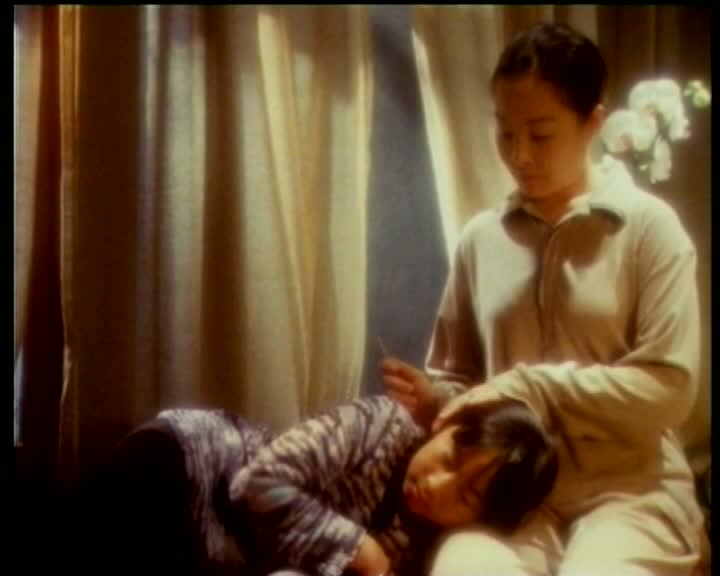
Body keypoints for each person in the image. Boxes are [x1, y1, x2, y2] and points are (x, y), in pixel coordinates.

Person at [383, 21, 707, 576]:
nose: (519, 156)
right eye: (505, 133)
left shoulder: (649, 229)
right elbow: (464, 383)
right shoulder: (481, 239)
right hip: (510, 503)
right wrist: (437, 397)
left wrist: (532, 385)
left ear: (593, 123)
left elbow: (668, 391)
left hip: (631, 492)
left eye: (540, 135)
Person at [98, 395, 558, 576]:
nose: (438, 486)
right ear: (445, 427)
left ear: (482, 517)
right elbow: (255, 483)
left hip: (215, 554)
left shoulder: (427, 547)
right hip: (191, 464)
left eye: (468, 495)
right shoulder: (381, 425)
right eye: (450, 458)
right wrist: (359, 549)